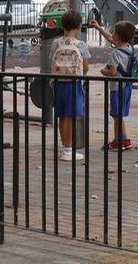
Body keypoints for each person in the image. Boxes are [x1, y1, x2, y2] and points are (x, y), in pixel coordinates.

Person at [52, 9, 91, 162]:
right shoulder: (81, 45)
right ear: (79, 26)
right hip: (74, 84)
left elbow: (52, 60)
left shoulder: (56, 43)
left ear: (62, 25)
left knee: (62, 117)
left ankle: (65, 148)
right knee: (71, 117)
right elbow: (86, 67)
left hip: (58, 83)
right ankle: (69, 150)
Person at [97, 20, 136, 151]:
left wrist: (103, 71)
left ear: (117, 36)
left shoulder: (115, 53)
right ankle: (124, 139)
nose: (111, 33)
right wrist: (98, 28)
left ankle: (118, 141)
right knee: (119, 115)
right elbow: (110, 38)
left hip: (117, 88)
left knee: (116, 115)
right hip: (127, 86)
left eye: (113, 31)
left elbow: (112, 72)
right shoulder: (129, 48)